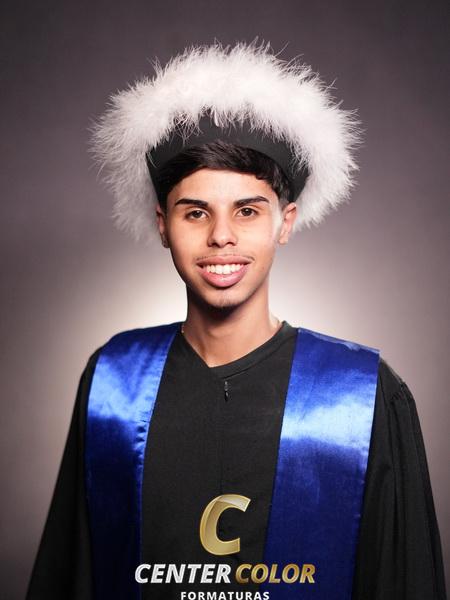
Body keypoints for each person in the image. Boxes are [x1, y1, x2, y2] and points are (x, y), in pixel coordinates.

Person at [26, 42, 446, 600]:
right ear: (162, 224)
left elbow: (404, 579)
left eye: (247, 211)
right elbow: (71, 574)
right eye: (195, 212)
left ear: (285, 222)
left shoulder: (359, 396)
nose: (221, 236)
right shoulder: (114, 386)